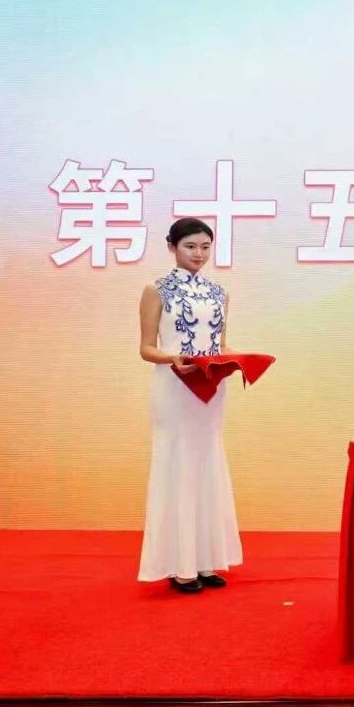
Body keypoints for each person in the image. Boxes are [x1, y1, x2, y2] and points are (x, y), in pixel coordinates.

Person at [137, 218, 242, 593]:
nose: (199, 254)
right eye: (190, 246)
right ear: (172, 247)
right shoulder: (156, 290)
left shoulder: (219, 292)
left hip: (210, 387)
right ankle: (179, 565)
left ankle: (205, 560)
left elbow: (220, 344)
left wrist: (237, 360)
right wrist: (172, 358)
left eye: (205, 247)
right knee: (177, 463)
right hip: (174, 386)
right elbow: (146, 348)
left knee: (207, 462)